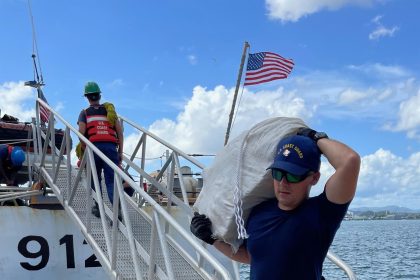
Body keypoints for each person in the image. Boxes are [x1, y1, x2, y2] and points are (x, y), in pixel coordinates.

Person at [190, 127, 361, 280]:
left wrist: (316, 138)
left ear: (314, 178)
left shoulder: (322, 213)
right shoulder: (257, 211)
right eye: (278, 173)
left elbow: (350, 161)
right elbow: (251, 256)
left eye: (293, 176)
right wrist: (211, 239)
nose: (283, 182)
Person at [77, 81, 124, 217]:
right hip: (110, 149)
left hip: (94, 148)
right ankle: (117, 210)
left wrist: (86, 148)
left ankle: (98, 207)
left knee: (94, 178)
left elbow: (81, 133)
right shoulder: (110, 112)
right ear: (99, 96)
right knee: (111, 180)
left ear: (87, 97)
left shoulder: (84, 113)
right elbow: (120, 133)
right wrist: (120, 152)